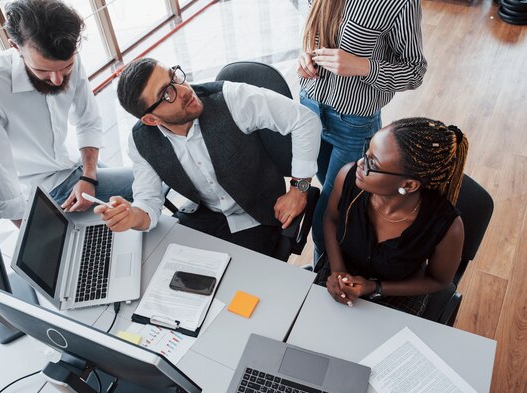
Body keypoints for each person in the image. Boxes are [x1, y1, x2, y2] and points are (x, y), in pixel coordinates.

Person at [94, 57, 321, 256]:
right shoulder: (140, 141)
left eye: (175, 77)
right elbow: (148, 202)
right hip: (204, 215)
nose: (184, 90)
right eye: (167, 94)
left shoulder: (231, 98)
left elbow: (304, 120)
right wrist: (133, 217)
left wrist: (299, 188)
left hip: (260, 215)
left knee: (237, 295)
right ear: (151, 120)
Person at [0, 0, 133, 227]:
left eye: (66, 68)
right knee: (152, 180)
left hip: (72, 167)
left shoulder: (66, 55)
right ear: (15, 46)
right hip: (43, 190)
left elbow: (88, 119)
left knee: (132, 198)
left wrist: (88, 176)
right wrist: (33, 234)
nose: (57, 80)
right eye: (43, 70)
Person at [296, 0, 428, 262]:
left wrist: (363, 66)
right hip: (308, 109)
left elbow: (415, 72)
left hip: (353, 124)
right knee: (333, 194)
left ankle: (320, 278)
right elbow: (314, 37)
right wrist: (304, 59)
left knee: (325, 221)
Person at [319, 118, 468, 316]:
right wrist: (337, 271)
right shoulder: (347, 177)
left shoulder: (448, 227)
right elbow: (331, 219)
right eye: (367, 152)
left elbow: (438, 280)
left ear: (409, 185)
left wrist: (375, 287)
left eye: (372, 163)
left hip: (398, 292)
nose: (360, 163)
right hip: (341, 272)